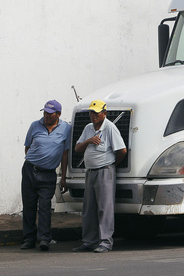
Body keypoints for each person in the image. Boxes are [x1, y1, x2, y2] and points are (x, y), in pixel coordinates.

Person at [73, 100, 127, 253]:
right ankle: (89, 241)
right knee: (89, 208)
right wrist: (89, 141)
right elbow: (77, 148)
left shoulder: (110, 127)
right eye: (91, 112)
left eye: (96, 113)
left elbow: (122, 150)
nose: (93, 115)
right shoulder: (88, 128)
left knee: (105, 207)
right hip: (90, 172)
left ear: (104, 113)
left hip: (105, 170)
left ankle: (105, 242)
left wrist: (112, 165)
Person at [21, 99, 71, 251]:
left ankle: (44, 239)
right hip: (30, 170)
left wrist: (63, 177)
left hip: (48, 174)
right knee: (29, 206)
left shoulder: (66, 129)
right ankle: (29, 239)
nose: (47, 116)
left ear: (58, 114)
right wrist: (34, 162)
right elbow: (27, 147)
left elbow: (65, 153)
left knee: (44, 206)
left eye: (50, 114)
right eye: (45, 113)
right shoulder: (35, 125)